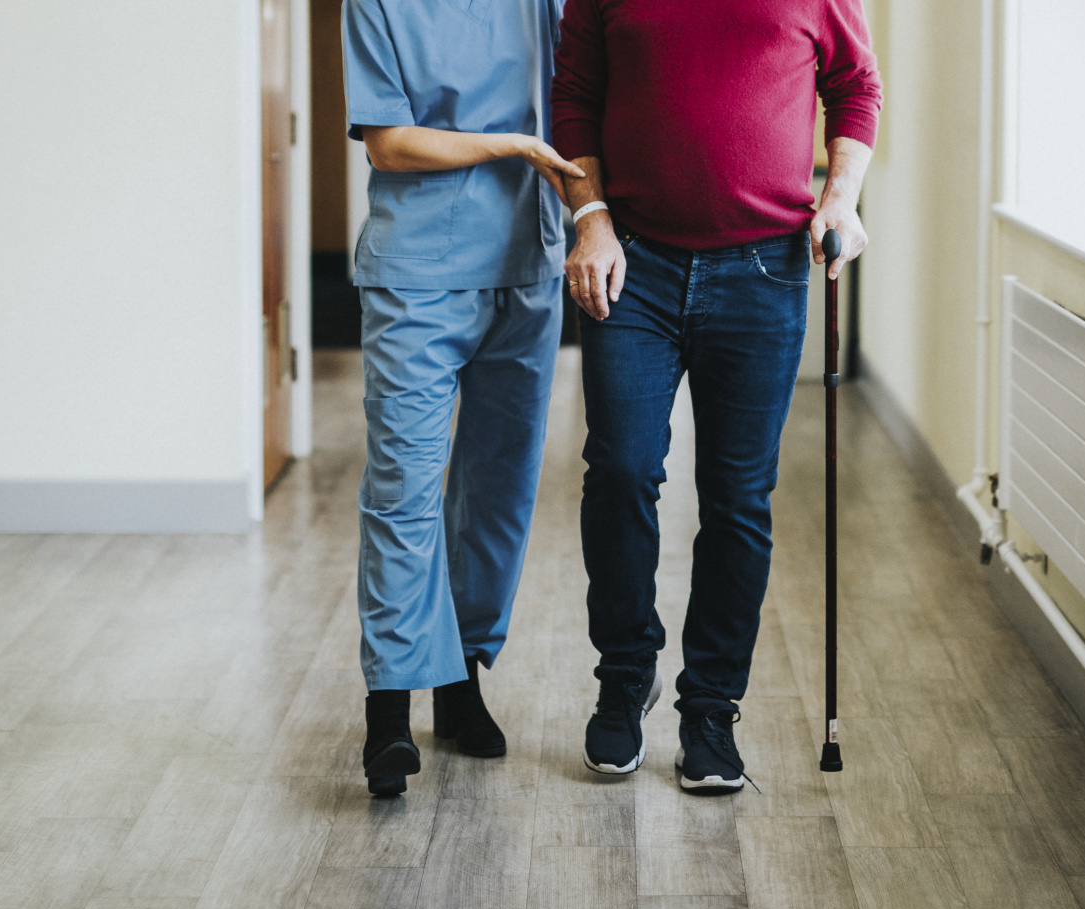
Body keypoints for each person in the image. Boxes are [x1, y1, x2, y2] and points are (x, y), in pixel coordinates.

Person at [551, 0, 882, 794]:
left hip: (763, 268)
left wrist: (840, 194)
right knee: (623, 469)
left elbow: (855, 84)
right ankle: (625, 678)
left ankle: (710, 706)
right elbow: (574, 98)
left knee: (738, 497)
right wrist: (589, 221)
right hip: (634, 261)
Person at [343, 0, 583, 796]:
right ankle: (388, 706)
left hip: (528, 265)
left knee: (500, 489)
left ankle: (460, 676)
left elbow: (588, 83)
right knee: (403, 491)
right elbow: (391, 143)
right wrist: (510, 143)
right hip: (417, 273)